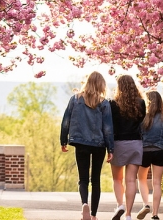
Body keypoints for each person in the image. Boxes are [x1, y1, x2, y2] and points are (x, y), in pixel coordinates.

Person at [61, 72, 116, 220]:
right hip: (99, 144)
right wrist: (111, 149)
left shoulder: (75, 99)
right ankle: (93, 215)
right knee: (96, 179)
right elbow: (108, 128)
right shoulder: (104, 103)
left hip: (80, 142)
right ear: (101, 85)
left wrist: (63, 140)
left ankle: (84, 203)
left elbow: (66, 120)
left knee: (83, 178)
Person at [107, 74, 147, 220]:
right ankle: (128, 214)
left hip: (118, 144)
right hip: (136, 144)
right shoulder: (141, 103)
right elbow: (142, 120)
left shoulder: (113, 104)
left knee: (117, 179)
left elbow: (109, 126)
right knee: (131, 180)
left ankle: (120, 205)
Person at [138, 91, 163, 220]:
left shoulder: (142, 118)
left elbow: (138, 137)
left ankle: (145, 204)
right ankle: (155, 214)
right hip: (160, 152)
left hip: (144, 152)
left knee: (141, 179)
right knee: (157, 183)